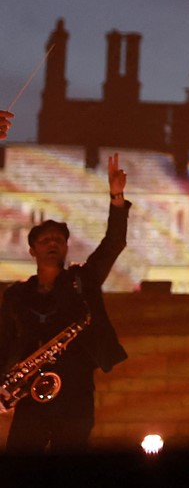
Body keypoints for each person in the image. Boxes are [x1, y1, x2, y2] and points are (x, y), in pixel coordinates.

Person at [1, 152, 129, 452]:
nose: (53, 244)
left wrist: (117, 198)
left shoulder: (83, 280)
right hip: (30, 397)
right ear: (32, 251)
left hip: (75, 394)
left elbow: (114, 244)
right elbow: (4, 341)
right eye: (45, 240)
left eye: (58, 240)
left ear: (66, 248)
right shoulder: (16, 295)